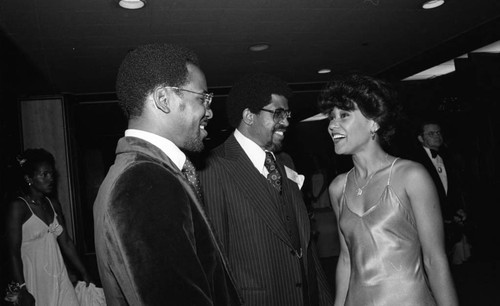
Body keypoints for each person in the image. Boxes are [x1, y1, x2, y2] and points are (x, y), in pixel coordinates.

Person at [93, 43, 242, 305]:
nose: (209, 111)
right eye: (202, 98)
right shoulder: (143, 181)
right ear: (163, 99)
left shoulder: (137, 171)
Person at [319, 74, 458, 306]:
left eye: (344, 115)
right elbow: (346, 260)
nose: (332, 125)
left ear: (374, 122)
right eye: (331, 117)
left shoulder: (410, 176)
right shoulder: (338, 187)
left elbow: (435, 260)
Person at [199, 73, 334, 306]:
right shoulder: (212, 168)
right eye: (278, 114)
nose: (286, 122)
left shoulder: (286, 163)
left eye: (287, 114)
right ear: (249, 116)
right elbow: (213, 263)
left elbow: (305, 248)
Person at [5, 148, 91, 306]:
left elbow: (66, 242)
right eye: (44, 174)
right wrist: (22, 289)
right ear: (29, 178)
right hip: (33, 280)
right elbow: (13, 252)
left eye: (51, 173)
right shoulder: (18, 207)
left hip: (59, 276)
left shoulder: (54, 205)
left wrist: (84, 271)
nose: (50, 178)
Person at [409, 119, 470, 264]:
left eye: (438, 132)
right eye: (431, 133)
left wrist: (457, 209)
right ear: (420, 138)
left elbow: (450, 189)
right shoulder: (414, 161)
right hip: (425, 224)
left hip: (447, 224)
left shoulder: (447, 157)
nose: (437, 136)